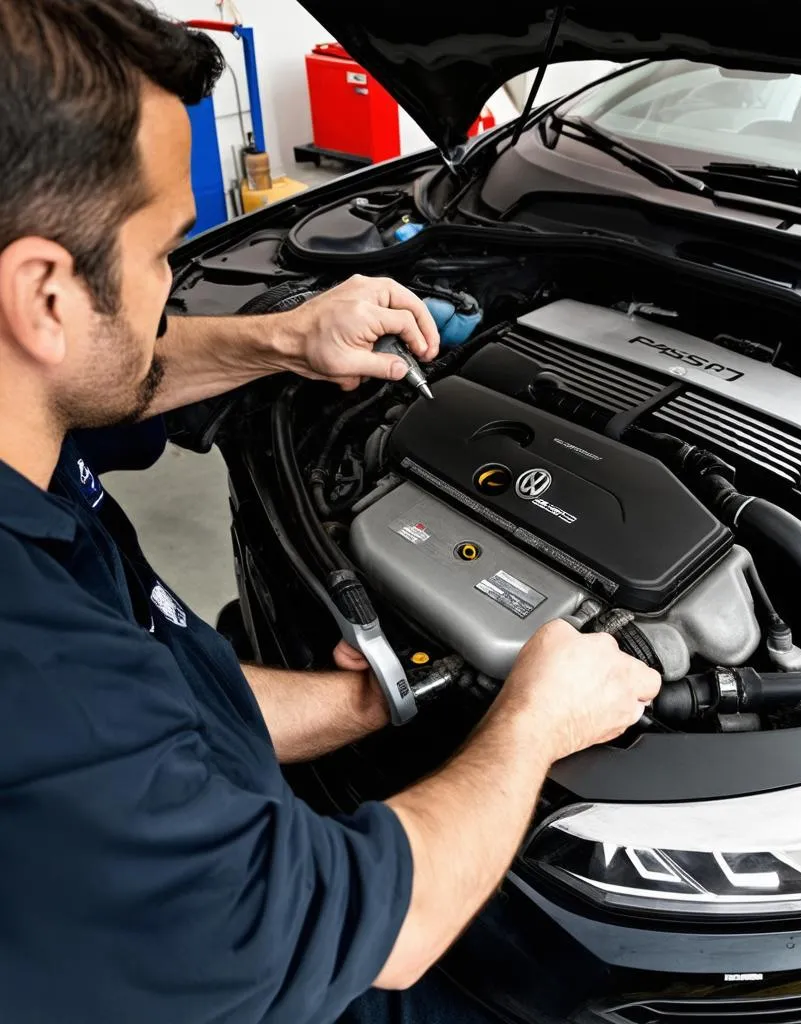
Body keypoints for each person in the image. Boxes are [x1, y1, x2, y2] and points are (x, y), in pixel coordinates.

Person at [0, 3, 662, 1023]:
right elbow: (373, 933)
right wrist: (533, 724)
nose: (175, 287)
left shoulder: (26, 448)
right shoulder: (39, 680)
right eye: (164, 253)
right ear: (43, 293)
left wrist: (285, 339)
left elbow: (167, 709)